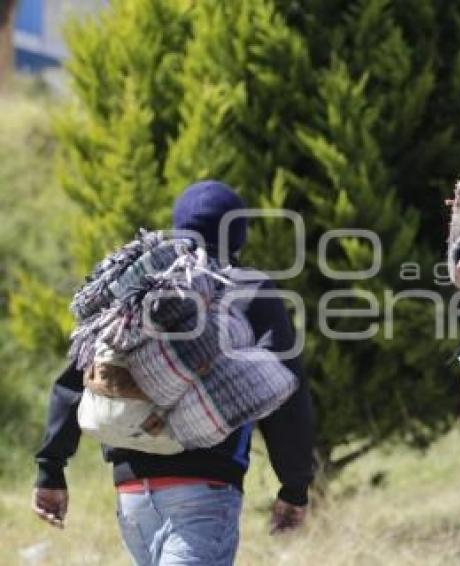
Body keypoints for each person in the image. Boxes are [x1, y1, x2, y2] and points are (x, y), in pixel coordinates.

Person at [31, 180, 315, 565]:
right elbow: (286, 397)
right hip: (206, 490)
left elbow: (78, 374)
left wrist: (51, 470)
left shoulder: (139, 285)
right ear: (238, 233)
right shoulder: (249, 289)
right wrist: (294, 486)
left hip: (132, 496)